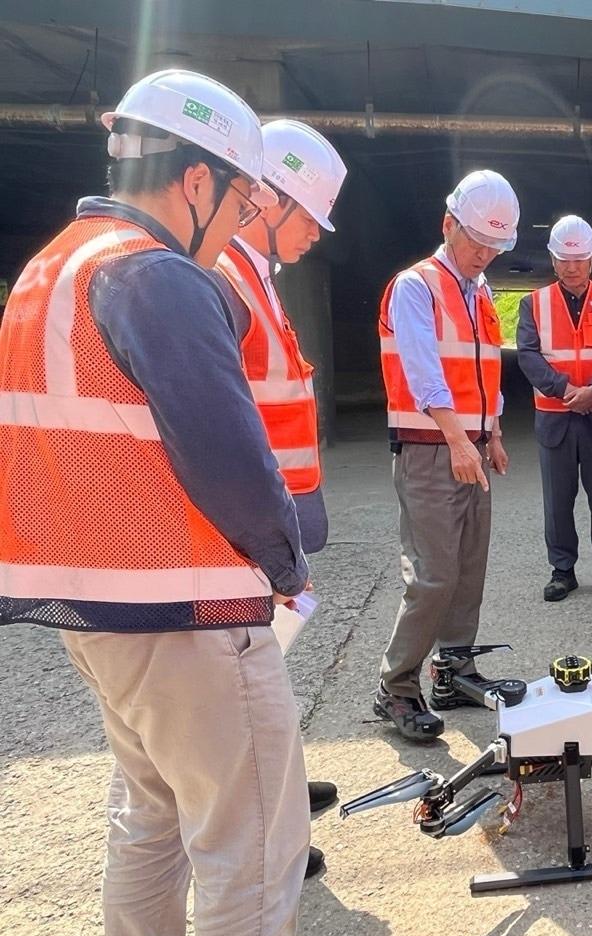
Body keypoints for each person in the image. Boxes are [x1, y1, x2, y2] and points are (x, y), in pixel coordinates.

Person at [0, 69, 309, 936]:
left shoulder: (52, 265)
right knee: (250, 846)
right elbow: (229, 456)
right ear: (200, 181)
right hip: (187, 616)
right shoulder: (154, 276)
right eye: (245, 200)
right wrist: (288, 565)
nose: (243, 227)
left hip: (96, 612)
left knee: (151, 818)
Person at [214, 118, 349, 878]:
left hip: (277, 522)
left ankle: (285, 794)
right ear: (266, 198)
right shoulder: (227, 281)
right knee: (247, 692)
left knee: (267, 677)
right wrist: (272, 546)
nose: (314, 236)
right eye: (308, 219)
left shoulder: (257, 276)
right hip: (248, 534)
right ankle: (272, 840)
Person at [374, 170, 517, 741]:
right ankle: (396, 687)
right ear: (448, 224)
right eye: (477, 240)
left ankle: (455, 672)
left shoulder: (480, 293)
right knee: (433, 576)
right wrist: (460, 440)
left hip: (470, 446)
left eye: (494, 245)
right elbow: (422, 370)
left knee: (467, 570)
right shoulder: (417, 286)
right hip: (431, 449)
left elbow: (484, 372)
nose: (484, 253)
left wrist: (493, 433)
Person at [516, 215, 592, 602]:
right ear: (553, 260)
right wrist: (566, 388)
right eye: (564, 259)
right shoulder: (533, 303)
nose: (572, 267)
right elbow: (528, 355)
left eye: (579, 259)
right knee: (558, 499)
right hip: (555, 416)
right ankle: (563, 570)